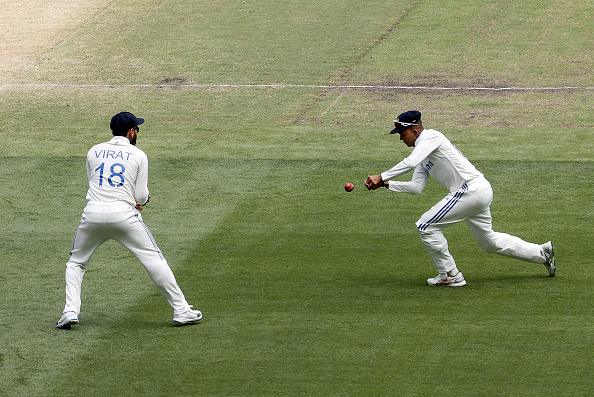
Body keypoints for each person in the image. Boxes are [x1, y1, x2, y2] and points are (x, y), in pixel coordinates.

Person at [365, 110, 555, 286]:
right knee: (490, 242)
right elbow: (416, 187)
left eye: (402, 133)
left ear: (415, 131)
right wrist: (387, 184)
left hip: (469, 190)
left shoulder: (431, 136)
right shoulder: (423, 154)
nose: (400, 138)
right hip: (477, 192)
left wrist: (382, 176)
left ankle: (449, 275)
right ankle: (541, 253)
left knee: (425, 226)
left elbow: (410, 161)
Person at [57, 112, 202, 328]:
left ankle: (69, 312)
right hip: (124, 215)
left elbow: (94, 183)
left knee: (76, 263)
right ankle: (181, 310)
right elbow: (141, 196)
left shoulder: (93, 151)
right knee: (154, 259)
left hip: (93, 213)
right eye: (137, 129)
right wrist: (139, 199)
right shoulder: (138, 155)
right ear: (131, 132)